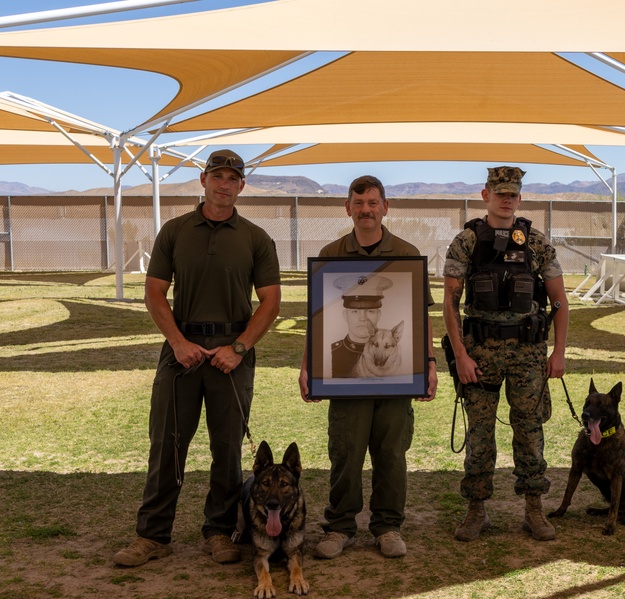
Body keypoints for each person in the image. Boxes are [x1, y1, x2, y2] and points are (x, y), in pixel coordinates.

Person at [113, 149, 282, 567]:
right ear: (202, 181)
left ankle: (220, 531)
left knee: (227, 450)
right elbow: (154, 292)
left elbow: (271, 302)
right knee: (167, 445)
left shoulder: (256, 238)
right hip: (181, 352)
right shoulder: (174, 231)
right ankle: (153, 535)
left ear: (242, 186)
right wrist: (177, 342)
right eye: (217, 176)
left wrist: (239, 348)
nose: (224, 184)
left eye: (232, 178)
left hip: (231, 356)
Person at [298, 175, 437, 559]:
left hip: (397, 379)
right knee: (346, 451)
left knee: (392, 453)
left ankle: (388, 526)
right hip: (344, 381)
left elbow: (421, 315)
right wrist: (308, 365)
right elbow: (317, 318)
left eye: (373, 203)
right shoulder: (330, 254)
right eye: (359, 204)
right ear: (348, 208)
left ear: (385, 207)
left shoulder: (407, 254)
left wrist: (428, 362)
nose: (366, 210)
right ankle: (340, 527)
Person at [443, 166, 569, 542]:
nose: (506, 199)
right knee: (480, 433)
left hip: (528, 354)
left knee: (530, 431)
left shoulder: (537, 242)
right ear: (486, 195)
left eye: (512, 194)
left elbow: (560, 302)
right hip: (479, 354)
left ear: (520, 197)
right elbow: (450, 304)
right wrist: (461, 355)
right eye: (499, 193)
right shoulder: (466, 241)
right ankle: (476, 511)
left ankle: (533, 510)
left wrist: (559, 353)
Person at [329, 274, 393, 377]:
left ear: (379, 315)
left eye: (371, 311)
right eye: (355, 311)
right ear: (345, 315)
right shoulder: (331, 352)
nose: (363, 318)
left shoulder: (394, 355)